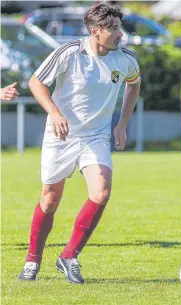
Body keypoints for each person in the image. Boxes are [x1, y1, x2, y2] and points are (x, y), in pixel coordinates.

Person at [18, 3, 141, 283]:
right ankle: (32, 261)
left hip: (96, 136)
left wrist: (121, 123)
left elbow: (134, 84)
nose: (120, 34)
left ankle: (69, 256)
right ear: (95, 32)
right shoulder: (70, 52)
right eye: (113, 29)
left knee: (101, 192)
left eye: (119, 27)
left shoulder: (126, 58)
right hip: (61, 135)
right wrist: (55, 113)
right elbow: (36, 82)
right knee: (49, 201)